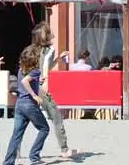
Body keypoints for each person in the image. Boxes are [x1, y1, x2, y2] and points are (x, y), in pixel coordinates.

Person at [30, 22, 77, 159]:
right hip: (41, 87)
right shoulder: (49, 49)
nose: (52, 32)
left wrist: (58, 59)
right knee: (56, 117)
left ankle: (16, 151)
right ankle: (64, 149)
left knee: (23, 119)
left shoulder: (36, 49)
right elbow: (45, 66)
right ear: (46, 35)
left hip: (32, 85)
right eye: (49, 31)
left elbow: (45, 65)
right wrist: (46, 81)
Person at [3, 45, 51, 165]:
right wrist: (34, 95)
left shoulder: (21, 69)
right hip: (29, 104)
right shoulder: (35, 71)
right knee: (44, 129)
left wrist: (37, 81)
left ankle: (8, 162)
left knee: (16, 135)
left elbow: (25, 80)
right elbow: (25, 81)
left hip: (19, 104)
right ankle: (34, 156)